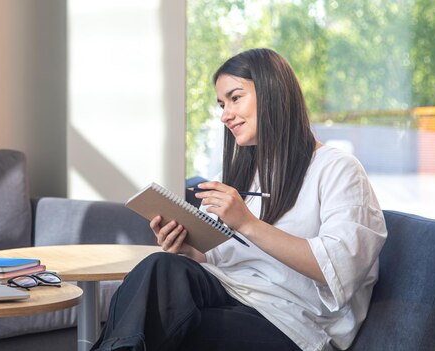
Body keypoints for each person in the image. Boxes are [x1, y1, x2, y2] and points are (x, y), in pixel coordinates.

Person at [91, 48, 387, 351]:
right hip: (232, 291)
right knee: (161, 265)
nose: (225, 115)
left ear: (273, 92)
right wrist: (189, 249)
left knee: (174, 331)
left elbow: (339, 268)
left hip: (291, 322)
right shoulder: (243, 173)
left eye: (235, 98)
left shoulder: (338, 168)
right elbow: (224, 260)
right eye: (222, 104)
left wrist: (247, 223)